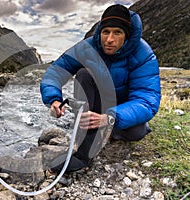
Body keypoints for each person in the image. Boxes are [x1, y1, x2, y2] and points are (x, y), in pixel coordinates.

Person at [40, 4, 161, 172]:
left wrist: (109, 118)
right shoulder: (88, 47)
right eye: (106, 32)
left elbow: (147, 100)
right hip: (98, 99)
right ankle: (83, 153)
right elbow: (56, 70)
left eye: (117, 32)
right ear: (100, 31)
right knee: (83, 74)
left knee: (136, 132)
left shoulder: (143, 55)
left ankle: (106, 129)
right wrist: (53, 99)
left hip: (123, 105)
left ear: (127, 35)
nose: (109, 39)